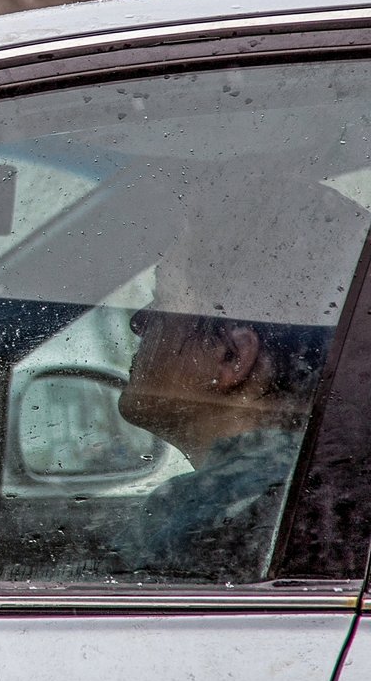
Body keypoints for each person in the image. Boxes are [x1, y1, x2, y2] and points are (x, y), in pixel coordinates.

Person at [114, 176, 369, 582]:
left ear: (233, 356)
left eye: (164, 300)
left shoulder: (202, 519)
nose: (139, 321)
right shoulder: (320, 498)